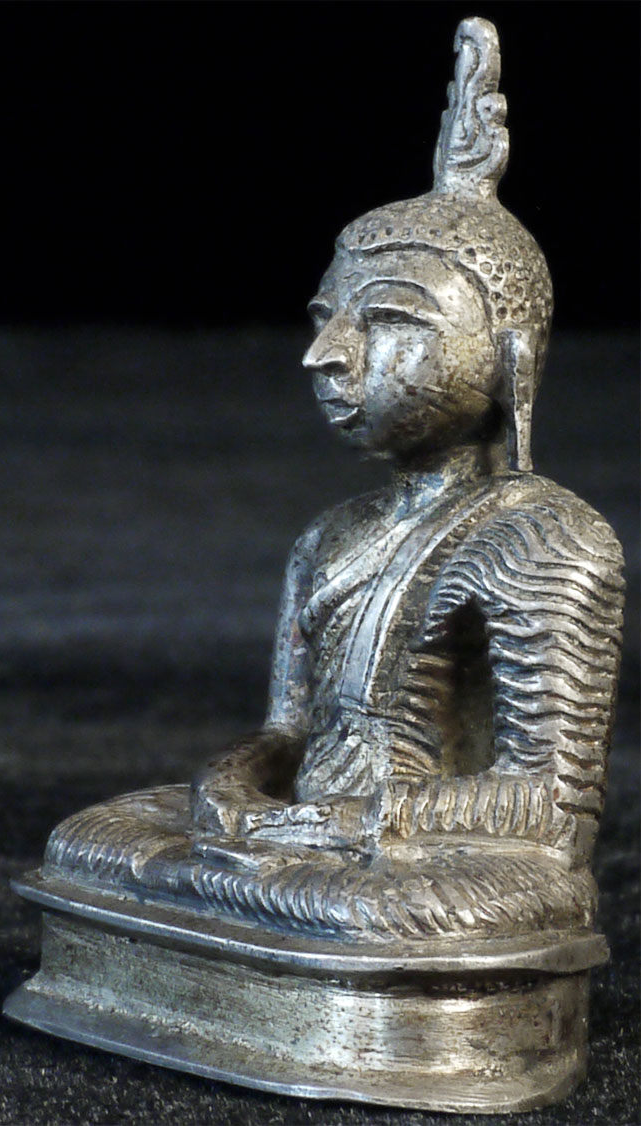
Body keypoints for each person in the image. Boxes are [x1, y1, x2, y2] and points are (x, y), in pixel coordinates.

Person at [191, 19, 623, 934]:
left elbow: (549, 808)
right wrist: (229, 787)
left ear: (510, 363)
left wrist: (341, 824)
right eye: (326, 316)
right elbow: (287, 734)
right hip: (308, 840)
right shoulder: (328, 537)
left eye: (388, 319)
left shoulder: (548, 539)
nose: (324, 352)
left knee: (390, 913)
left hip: (424, 859)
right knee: (98, 843)